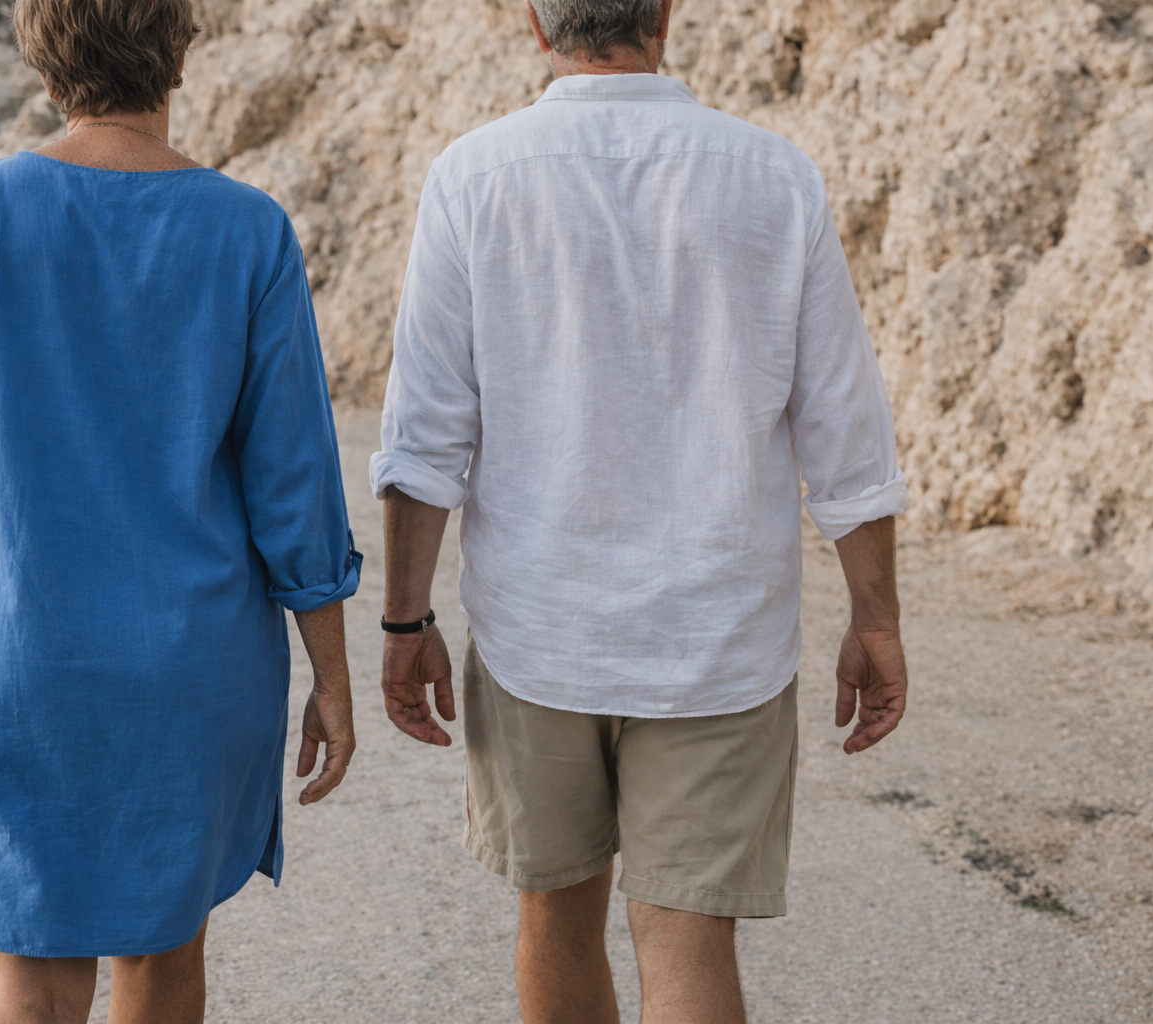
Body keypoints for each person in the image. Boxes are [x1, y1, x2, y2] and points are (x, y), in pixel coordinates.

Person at [372, 1, 912, 1021]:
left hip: (542, 630)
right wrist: (875, 620)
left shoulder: (474, 174)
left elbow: (425, 435)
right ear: (666, 14)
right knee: (688, 936)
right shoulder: (773, 175)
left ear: (540, 26)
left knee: (555, 916)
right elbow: (847, 427)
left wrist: (406, 622)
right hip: (719, 636)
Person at [0, 1, 361, 1021]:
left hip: (19, 661)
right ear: (179, 52)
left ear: (43, 64)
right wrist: (333, 675)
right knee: (163, 962)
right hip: (192, 671)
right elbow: (294, 485)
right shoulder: (248, 230)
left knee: (27, 981)